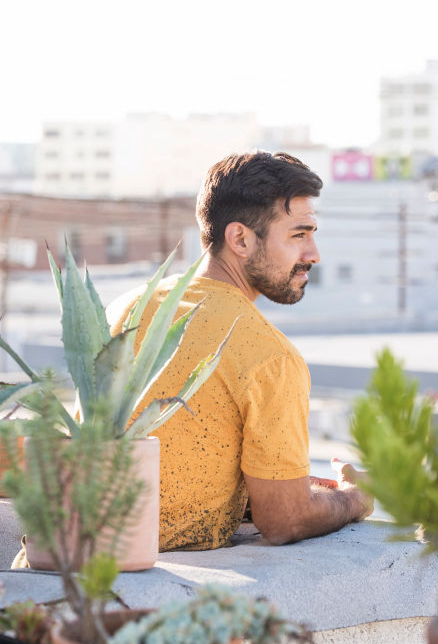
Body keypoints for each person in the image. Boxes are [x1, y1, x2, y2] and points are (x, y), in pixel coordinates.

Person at [108, 151, 374, 552]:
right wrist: (355, 497)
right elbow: (286, 520)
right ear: (240, 239)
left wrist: (267, 487)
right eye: (298, 235)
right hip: (146, 591)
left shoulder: (128, 306)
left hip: (53, 571)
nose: (314, 253)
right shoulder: (269, 356)